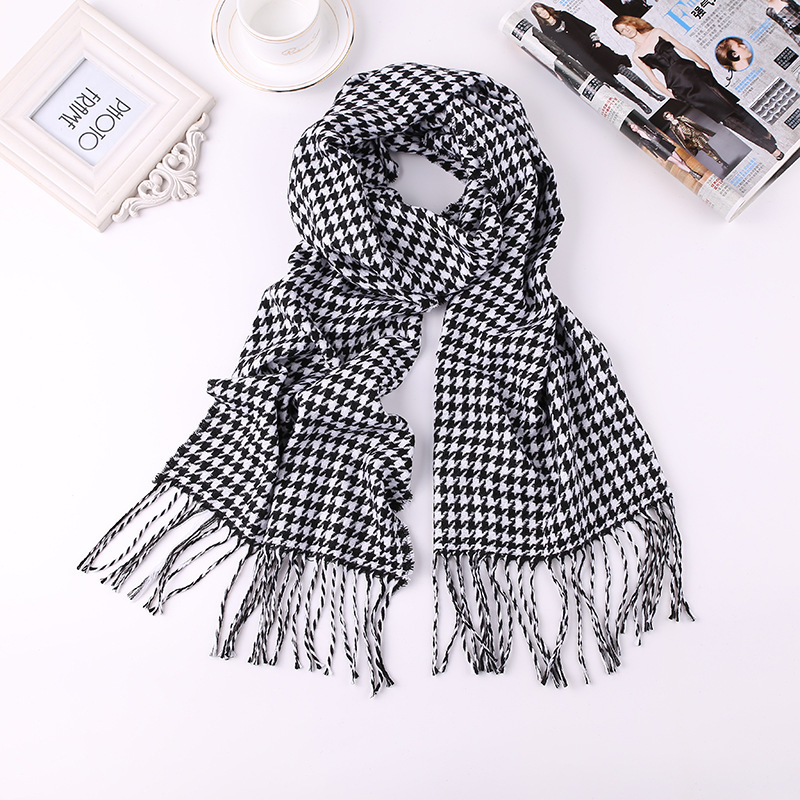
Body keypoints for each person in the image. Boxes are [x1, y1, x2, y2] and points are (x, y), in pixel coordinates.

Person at [612, 16, 784, 158]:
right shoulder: (636, 55)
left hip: (696, 74)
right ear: (621, 35)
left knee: (733, 107)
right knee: (727, 119)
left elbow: (683, 49)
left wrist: (703, 64)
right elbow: (654, 80)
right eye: (622, 31)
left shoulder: (656, 32)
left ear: (632, 23)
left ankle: (764, 134)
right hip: (682, 88)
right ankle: (770, 148)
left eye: (626, 26)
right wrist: (672, 95)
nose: (626, 30)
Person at [530, 4, 663, 113]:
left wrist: (595, 40)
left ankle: (652, 93)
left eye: (543, 10)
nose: (543, 13)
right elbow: (560, 51)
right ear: (538, 16)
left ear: (546, 9)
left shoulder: (563, 15)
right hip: (586, 60)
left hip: (596, 48)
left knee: (623, 70)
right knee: (615, 83)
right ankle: (640, 103)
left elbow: (584, 26)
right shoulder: (547, 32)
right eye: (540, 13)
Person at [625, 120, 704, 179]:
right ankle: (693, 173)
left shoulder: (646, 128)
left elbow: (659, 134)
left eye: (634, 126)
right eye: (632, 128)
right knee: (677, 162)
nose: (634, 128)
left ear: (636, 124)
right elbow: (649, 148)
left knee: (681, 160)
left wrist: (668, 139)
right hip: (659, 150)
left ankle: (691, 171)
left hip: (663, 144)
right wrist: (658, 158)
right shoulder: (640, 139)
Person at [662, 111, 728, 168]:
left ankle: (722, 161)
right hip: (691, 140)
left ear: (672, 114)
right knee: (705, 150)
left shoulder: (681, 118)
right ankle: (717, 159)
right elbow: (679, 137)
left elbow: (693, 125)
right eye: (669, 117)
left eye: (670, 116)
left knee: (710, 148)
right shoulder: (672, 127)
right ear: (667, 119)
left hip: (696, 134)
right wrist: (686, 143)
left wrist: (703, 132)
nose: (671, 118)